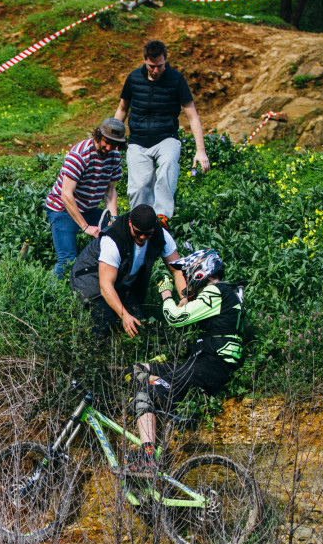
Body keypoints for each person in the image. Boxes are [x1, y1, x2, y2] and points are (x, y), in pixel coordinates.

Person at [122, 249, 246, 476]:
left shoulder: (216, 291)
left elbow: (176, 318)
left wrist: (165, 293)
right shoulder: (222, 294)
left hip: (210, 366)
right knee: (136, 370)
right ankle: (164, 391)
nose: (187, 279)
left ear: (202, 271)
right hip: (203, 364)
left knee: (144, 395)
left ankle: (149, 458)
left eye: (189, 273)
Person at [114, 40, 211, 229]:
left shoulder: (176, 79)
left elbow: (192, 116)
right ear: (145, 61)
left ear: (165, 61)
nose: (156, 70)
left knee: (168, 165)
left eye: (160, 66)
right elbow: (122, 109)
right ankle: (141, 223)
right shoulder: (133, 78)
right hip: (137, 140)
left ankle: (162, 217)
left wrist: (201, 151)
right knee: (139, 186)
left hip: (166, 137)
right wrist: (112, 139)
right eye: (152, 66)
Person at [70, 204, 188, 338]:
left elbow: (177, 271)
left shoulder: (162, 236)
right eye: (138, 232)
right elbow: (106, 286)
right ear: (130, 223)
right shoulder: (113, 239)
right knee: (102, 322)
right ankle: (94, 351)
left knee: (139, 324)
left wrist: (185, 296)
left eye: (147, 234)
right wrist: (124, 316)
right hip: (90, 276)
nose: (142, 237)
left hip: (120, 279)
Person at [46, 118, 126, 278]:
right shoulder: (80, 154)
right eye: (106, 142)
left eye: (114, 144)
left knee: (117, 239)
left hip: (89, 209)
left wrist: (113, 219)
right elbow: (66, 194)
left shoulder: (114, 156)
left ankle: (97, 282)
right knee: (67, 261)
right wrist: (85, 227)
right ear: (98, 135)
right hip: (63, 209)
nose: (109, 147)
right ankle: (49, 293)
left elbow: (110, 192)